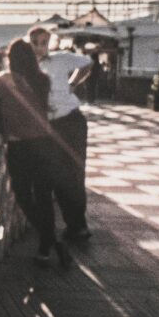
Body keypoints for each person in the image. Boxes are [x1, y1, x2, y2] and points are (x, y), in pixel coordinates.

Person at [0, 39, 73, 269]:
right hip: (46, 143)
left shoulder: (6, 80)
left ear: (10, 59)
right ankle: (45, 248)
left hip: (20, 146)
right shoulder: (43, 80)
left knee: (23, 196)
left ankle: (50, 240)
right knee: (43, 197)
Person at [28, 26, 93, 243]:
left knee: (74, 173)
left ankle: (78, 226)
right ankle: (65, 224)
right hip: (49, 126)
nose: (40, 47)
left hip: (71, 122)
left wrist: (73, 83)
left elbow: (87, 63)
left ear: (50, 43)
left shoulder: (61, 59)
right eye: (35, 42)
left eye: (44, 42)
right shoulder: (26, 67)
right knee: (56, 175)